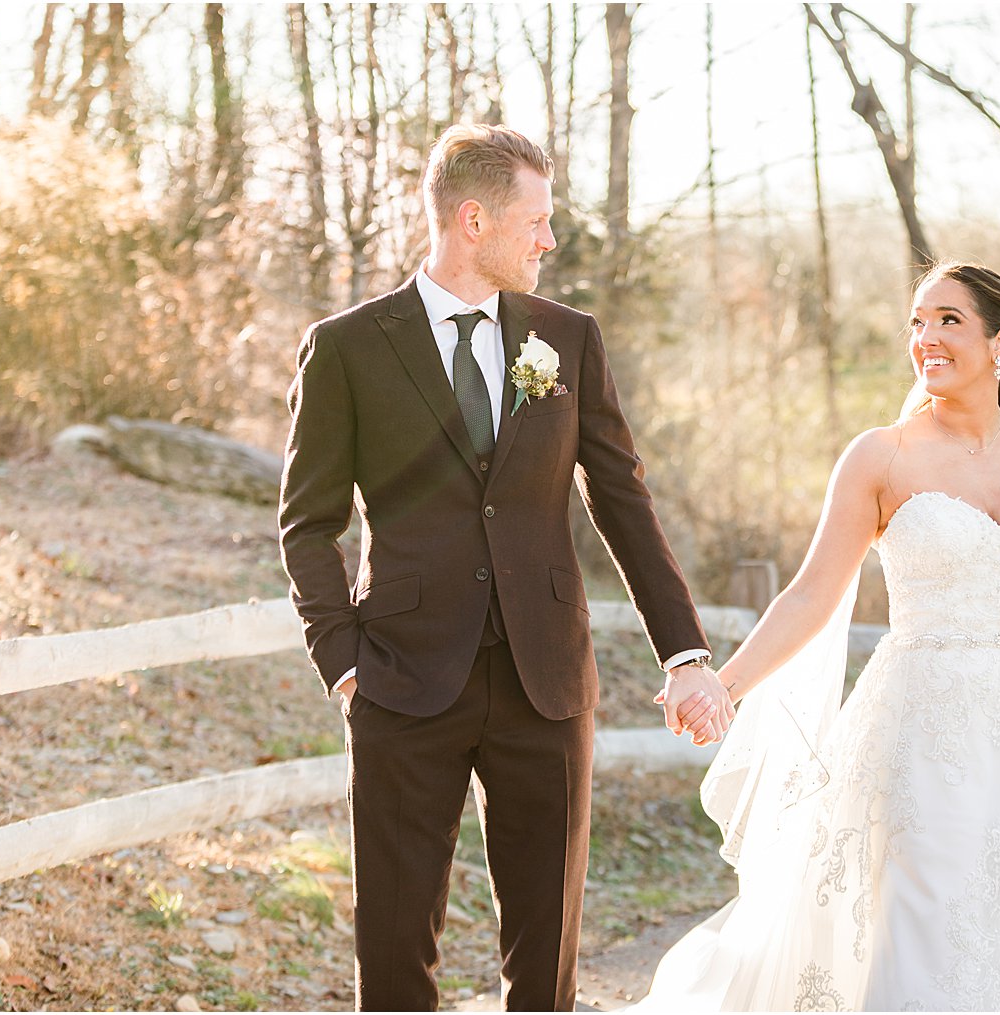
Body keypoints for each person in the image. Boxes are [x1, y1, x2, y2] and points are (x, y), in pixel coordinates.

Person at [278, 123, 733, 1012]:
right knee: (397, 949)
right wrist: (342, 667)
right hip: (402, 679)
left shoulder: (567, 338)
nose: (550, 240)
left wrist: (686, 655)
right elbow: (308, 524)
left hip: (547, 681)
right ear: (474, 219)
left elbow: (623, 502)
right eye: (538, 219)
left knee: (546, 951)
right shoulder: (348, 347)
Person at [634, 262, 1000, 1011]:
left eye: (948, 320)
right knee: (924, 928)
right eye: (917, 322)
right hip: (927, 739)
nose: (925, 337)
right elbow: (811, 594)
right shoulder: (880, 456)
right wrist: (722, 685)